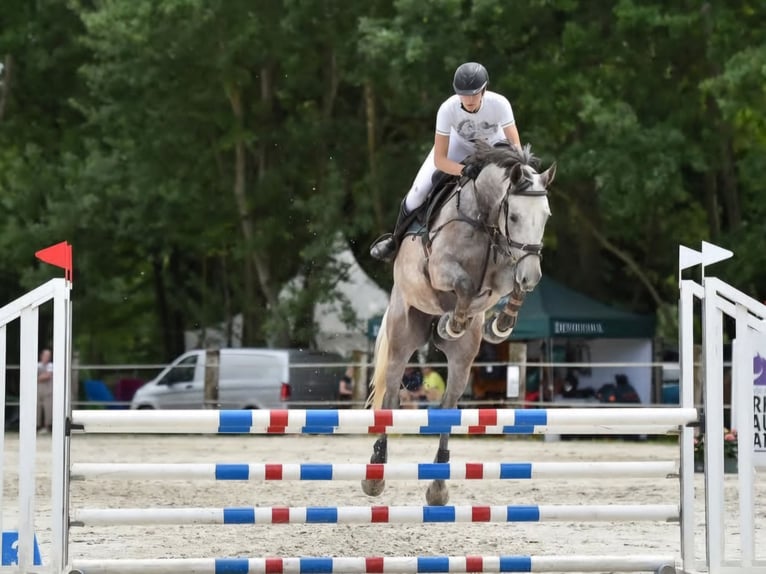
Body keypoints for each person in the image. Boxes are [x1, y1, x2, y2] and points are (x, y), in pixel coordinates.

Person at [370, 62, 522, 261]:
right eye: (463, 94)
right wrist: (464, 169)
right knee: (417, 193)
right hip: (457, 147)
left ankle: (521, 247)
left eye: (474, 93)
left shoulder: (500, 103)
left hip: (493, 147)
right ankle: (394, 241)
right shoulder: (447, 109)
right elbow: (440, 160)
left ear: (484, 90)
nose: (468, 99)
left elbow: (515, 147)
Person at [37, 348, 53, 433]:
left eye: (49, 356)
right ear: (41, 356)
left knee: (48, 409)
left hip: (48, 391)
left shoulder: (51, 365)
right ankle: (37, 427)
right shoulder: (37, 365)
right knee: (37, 408)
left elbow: (48, 376)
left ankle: (47, 427)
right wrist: (42, 377)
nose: (47, 357)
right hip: (38, 390)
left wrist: (38, 378)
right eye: (46, 355)